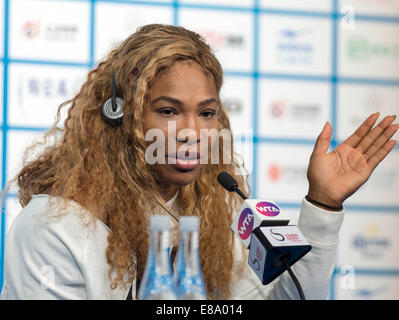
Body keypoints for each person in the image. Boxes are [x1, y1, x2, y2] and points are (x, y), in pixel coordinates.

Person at [0, 24, 397, 300]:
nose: (192, 132)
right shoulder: (55, 228)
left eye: (206, 113)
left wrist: (322, 205)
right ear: (118, 116)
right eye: (168, 111)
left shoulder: (219, 209)